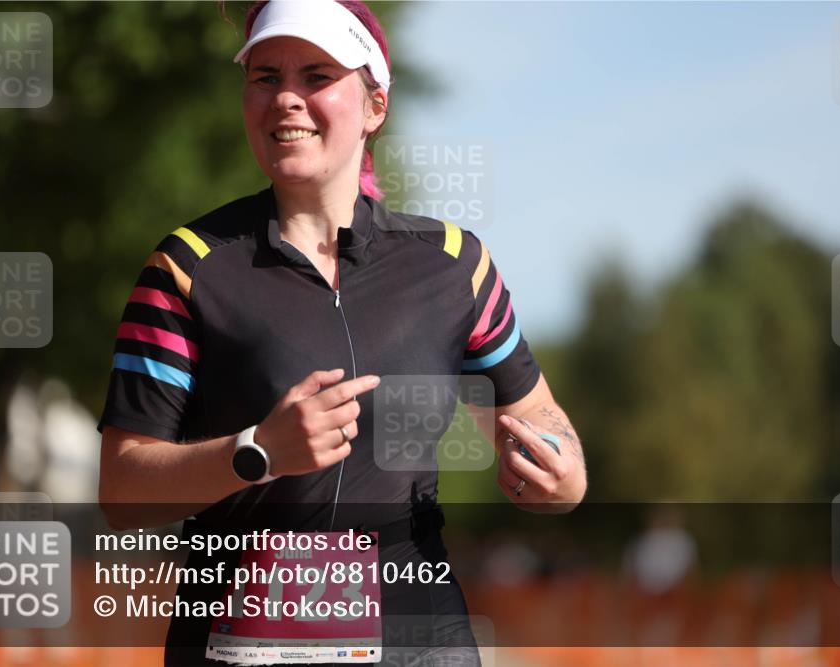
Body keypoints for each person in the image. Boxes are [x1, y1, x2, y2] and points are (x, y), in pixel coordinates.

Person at [96, 1, 587, 664]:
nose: (287, 99)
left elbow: (545, 427)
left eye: (317, 75)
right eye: (266, 77)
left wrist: (558, 473)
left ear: (375, 105)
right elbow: (122, 492)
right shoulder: (186, 267)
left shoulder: (455, 264)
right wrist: (257, 451)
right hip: (241, 630)